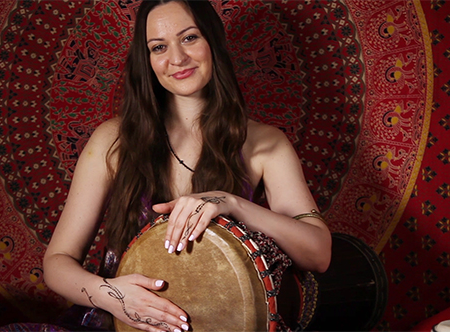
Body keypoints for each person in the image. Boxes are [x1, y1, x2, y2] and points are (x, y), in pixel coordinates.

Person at [43, 1, 332, 331]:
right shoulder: (113, 140)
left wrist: (233, 203)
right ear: (148, 60)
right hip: (118, 323)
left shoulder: (265, 144)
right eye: (159, 47)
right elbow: (56, 264)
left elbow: (318, 253)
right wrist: (113, 296)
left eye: (190, 38)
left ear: (213, 42)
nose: (177, 58)